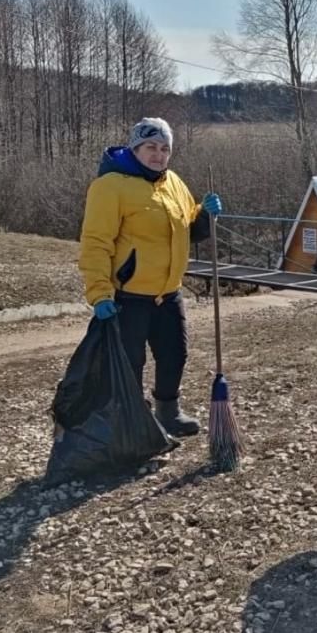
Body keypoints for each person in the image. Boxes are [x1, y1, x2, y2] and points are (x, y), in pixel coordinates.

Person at [78, 117, 222, 437]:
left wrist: (205, 215)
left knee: (175, 354)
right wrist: (100, 293)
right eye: (150, 147)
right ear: (135, 147)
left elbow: (187, 229)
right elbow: (95, 243)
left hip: (168, 292)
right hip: (128, 295)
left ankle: (168, 414)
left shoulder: (173, 182)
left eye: (164, 148)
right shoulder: (110, 186)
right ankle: (132, 419)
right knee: (131, 362)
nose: (158, 154)